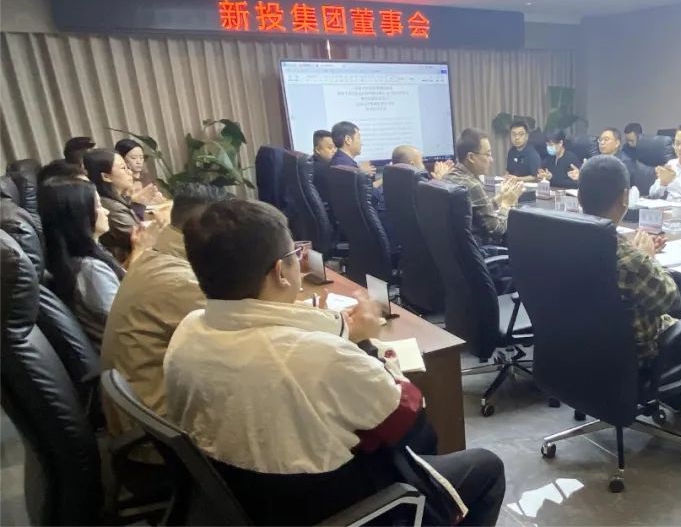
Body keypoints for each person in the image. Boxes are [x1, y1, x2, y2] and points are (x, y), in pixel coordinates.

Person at [164, 199, 506, 525]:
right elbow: (411, 426)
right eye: (295, 255)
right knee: (486, 467)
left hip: (243, 500)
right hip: (327, 508)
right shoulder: (317, 357)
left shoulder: (189, 331)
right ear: (281, 272)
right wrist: (366, 342)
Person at [578, 155, 681, 408]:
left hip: (578, 347)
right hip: (634, 355)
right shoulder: (627, 257)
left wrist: (640, 256)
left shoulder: (565, 236)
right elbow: (669, 300)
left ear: (580, 197)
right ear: (625, 197)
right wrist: (648, 259)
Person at [101, 183, 231, 452]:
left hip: (147, 420)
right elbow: (249, 330)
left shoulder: (154, 258)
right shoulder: (180, 281)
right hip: (163, 440)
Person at [39, 177, 134, 349]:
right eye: (98, 206)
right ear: (79, 216)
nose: (106, 212)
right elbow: (128, 325)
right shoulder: (92, 271)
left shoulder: (80, 259)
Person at [444, 128, 523, 246]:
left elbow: (477, 211)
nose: (491, 160)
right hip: (483, 249)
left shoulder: (449, 177)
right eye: (488, 154)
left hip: (457, 249)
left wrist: (499, 198)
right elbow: (497, 229)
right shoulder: (473, 185)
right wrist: (506, 204)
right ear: (471, 157)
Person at [84, 148, 161, 266]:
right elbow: (144, 239)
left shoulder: (117, 200)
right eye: (123, 168)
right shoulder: (110, 209)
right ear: (106, 176)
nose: (130, 172)